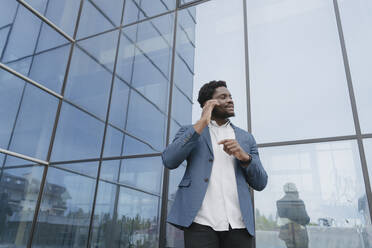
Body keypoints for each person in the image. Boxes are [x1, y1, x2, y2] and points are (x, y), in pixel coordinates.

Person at [162, 81, 268, 248]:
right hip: (200, 223)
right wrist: (201, 123)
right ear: (208, 104)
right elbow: (169, 160)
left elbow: (261, 183)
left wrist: (245, 158)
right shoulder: (190, 131)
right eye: (223, 97)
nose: (230, 100)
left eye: (231, 97)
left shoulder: (246, 138)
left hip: (239, 225)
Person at [276, 183, 309, 248]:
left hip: (287, 234)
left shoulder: (280, 202)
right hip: (299, 233)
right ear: (295, 190)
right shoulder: (298, 202)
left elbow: (281, 217)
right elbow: (306, 219)